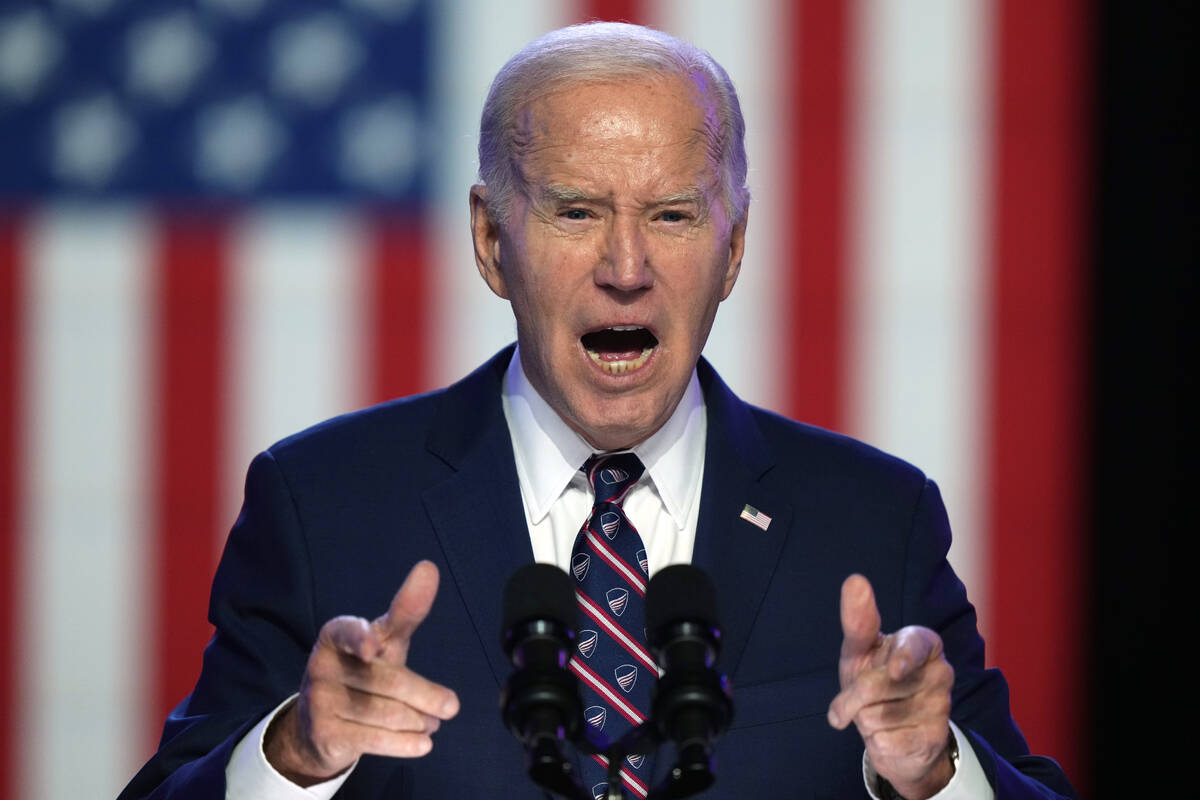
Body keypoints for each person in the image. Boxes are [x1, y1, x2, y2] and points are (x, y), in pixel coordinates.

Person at [119, 22, 1077, 800]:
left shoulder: (872, 519)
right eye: (577, 212)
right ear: (493, 242)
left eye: (673, 215)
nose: (627, 270)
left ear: (733, 248)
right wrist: (293, 755)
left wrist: (933, 772)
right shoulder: (325, 503)